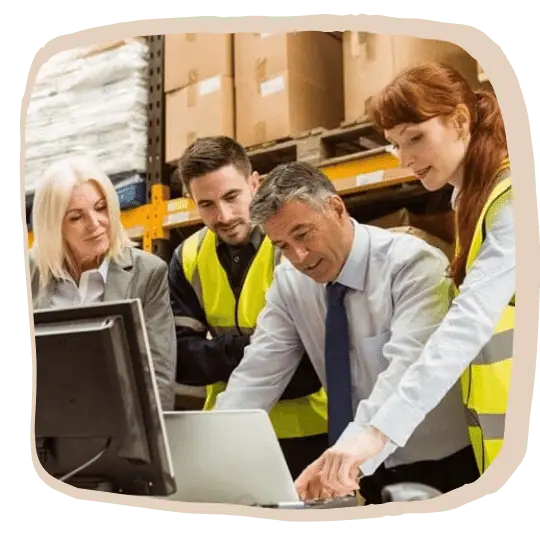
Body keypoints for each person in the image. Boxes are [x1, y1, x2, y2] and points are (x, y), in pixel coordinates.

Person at [303, 61, 515, 495]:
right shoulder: (473, 201)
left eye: (415, 138)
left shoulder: (512, 199)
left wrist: (377, 436)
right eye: (396, 144)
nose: (404, 158)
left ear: (459, 120)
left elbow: (467, 323)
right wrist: (358, 445)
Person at [213, 161, 480, 504]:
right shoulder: (291, 283)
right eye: (282, 245)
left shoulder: (413, 266)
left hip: (442, 468)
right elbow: (258, 373)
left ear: (336, 209)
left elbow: (405, 374)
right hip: (359, 470)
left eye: (303, 234)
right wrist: (213, 451)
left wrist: (348, 454)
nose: (299, 256)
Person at [168, 136, 329, 479]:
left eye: (231, 197)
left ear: (255, 183)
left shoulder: (290, 247)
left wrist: (216, 355)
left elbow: (309, 366)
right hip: (231, 431)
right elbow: (180, 361)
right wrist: (259, 348)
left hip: (310, 433)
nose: (223, 215)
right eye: (206, 204)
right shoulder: (188, 258)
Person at [29, 156, 177, 411]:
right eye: (76, 217)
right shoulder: (26, 274)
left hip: (119, 424)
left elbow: (157, 374)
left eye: (101, 207)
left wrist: (148, 445)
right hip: (41, 425)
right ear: (54, 227)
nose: (95, 224)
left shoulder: (148, 273)